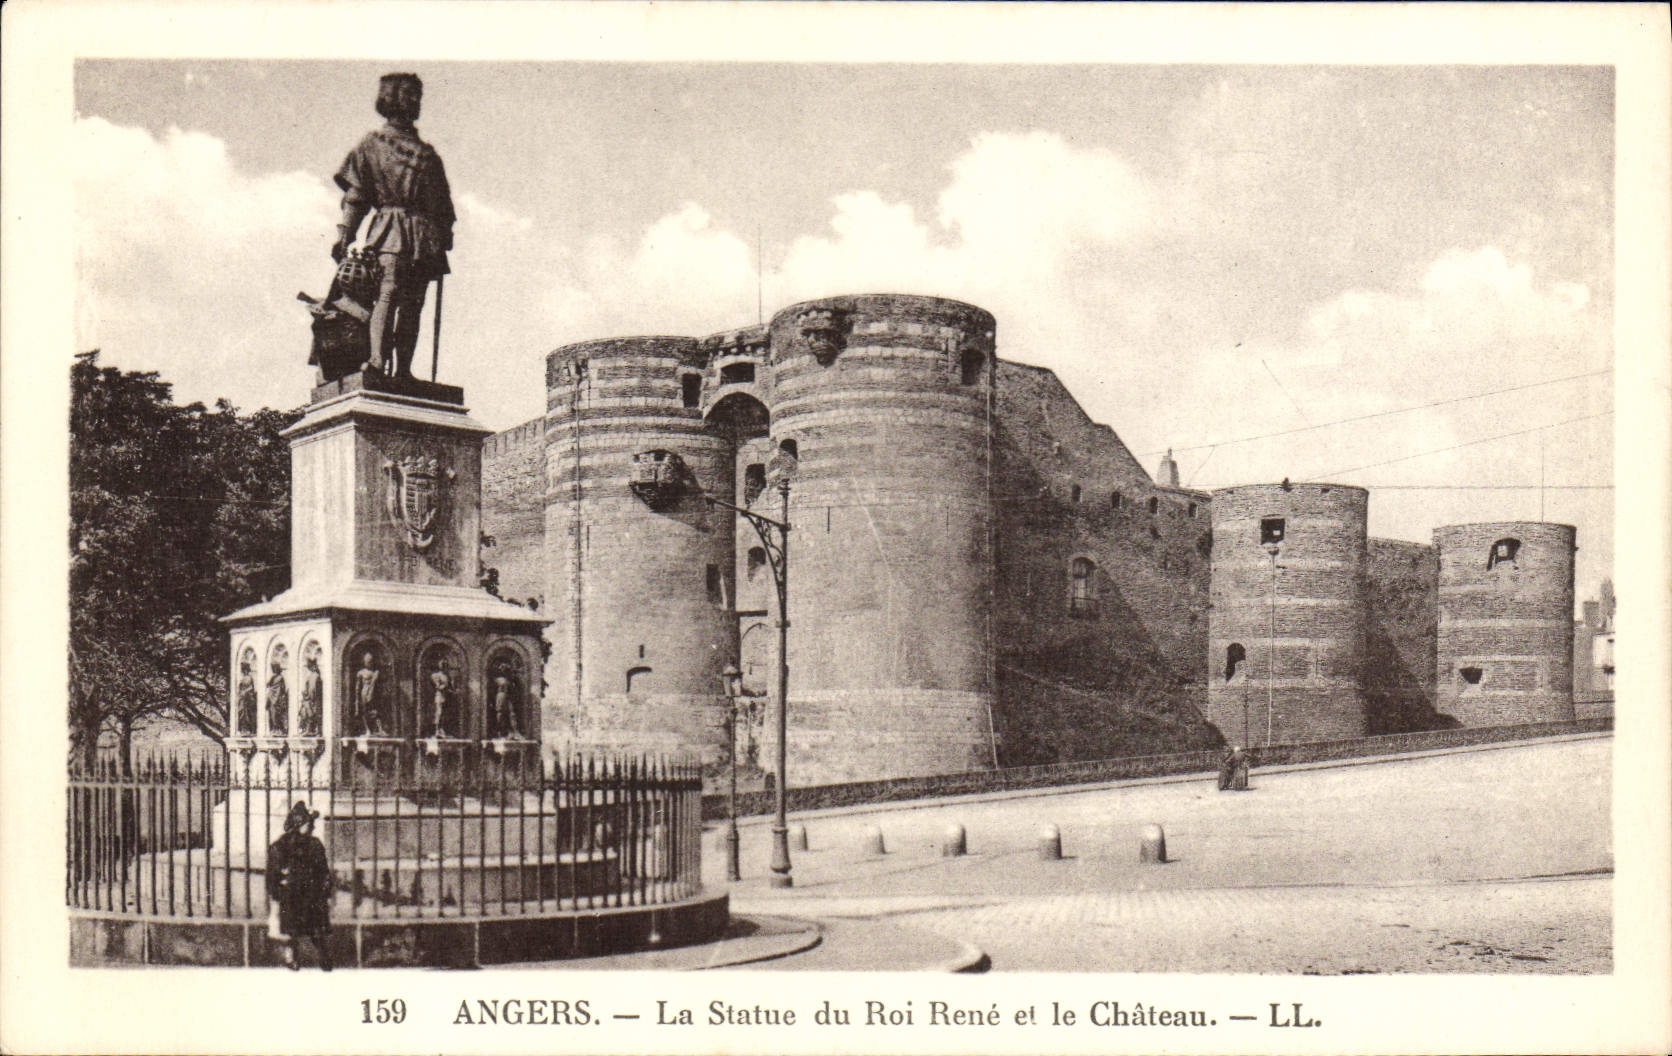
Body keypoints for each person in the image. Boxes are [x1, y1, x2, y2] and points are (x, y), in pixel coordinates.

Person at [332, 73, 456, 378]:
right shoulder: (371, 145)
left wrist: (444, 232)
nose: (414, 101)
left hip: (423, 237)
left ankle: (403, 371)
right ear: (389, 98)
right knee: (388, 293)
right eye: (408, 95)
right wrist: (345, 233)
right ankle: (377, 360)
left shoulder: (429, 155)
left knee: (414, 304)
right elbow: (357, 195)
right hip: (390, 229)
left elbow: (442, 204)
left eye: (417, 96)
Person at [266, 801, 333, 971]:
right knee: (290, 929)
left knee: (316, 929)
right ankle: (291, 957)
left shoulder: (315, 845)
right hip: (291, 894)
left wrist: (325, 887)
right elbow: (273, 872)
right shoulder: (281, 845)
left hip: (312, 894)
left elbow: (323, 870)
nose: (312, 827)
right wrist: (276, 890)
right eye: (308, 824)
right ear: (298, 824)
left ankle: (324, 956)